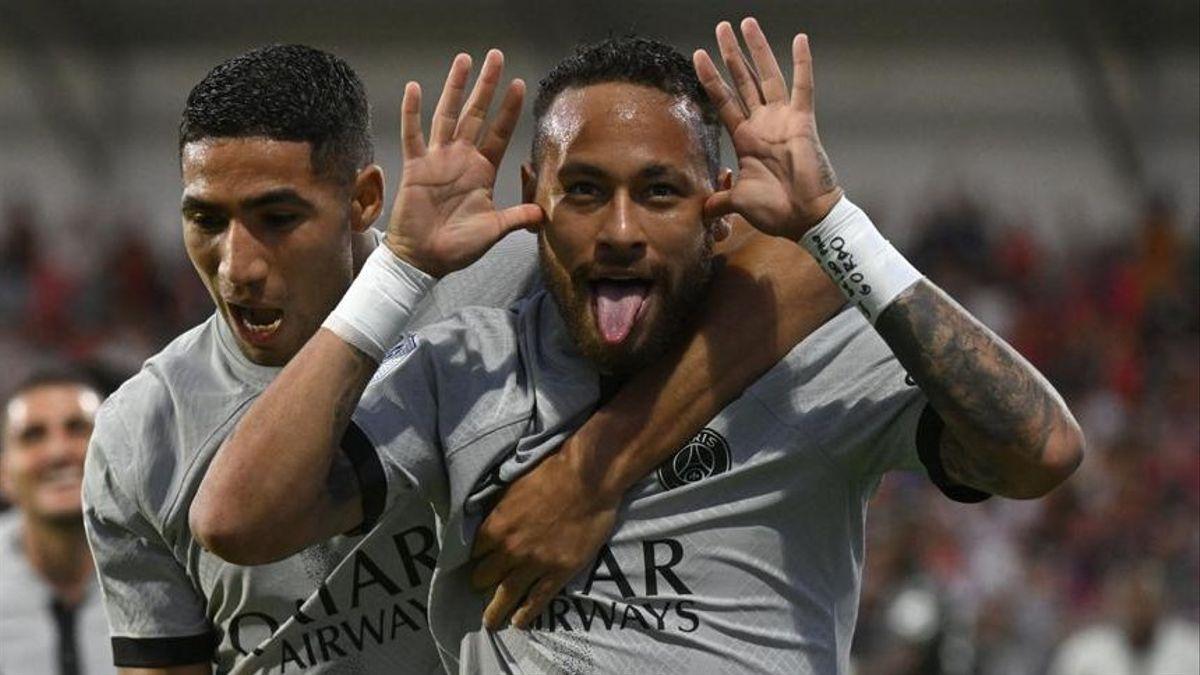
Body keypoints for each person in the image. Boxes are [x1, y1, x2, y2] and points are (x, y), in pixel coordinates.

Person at [194, 19, 1084, 673]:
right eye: (585, 190)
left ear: (719, 202)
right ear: (534, 196)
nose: (619, 229)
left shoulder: (807, 358)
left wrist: (833, 223)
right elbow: (239, 520)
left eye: (659, 192)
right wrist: (401, 267)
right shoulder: (461, 369)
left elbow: (1039, 451)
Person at [82, 43, 841, 673]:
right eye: (205, 221)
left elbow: (801, 258)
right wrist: (398, 275)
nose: (237, 264)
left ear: (365, 199)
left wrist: (593, 471)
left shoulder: (500, 282)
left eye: (277, 218)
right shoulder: (137, 435)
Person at [0, 368, 113, 674]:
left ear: (119, 451)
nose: (58, 452)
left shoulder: (174, 571)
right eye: (33, 435)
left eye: (77, 428)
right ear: (4, 473)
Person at [1048, 562, 1200, 675]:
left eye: (1144, 602)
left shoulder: (1191, 647)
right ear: (1115, 604)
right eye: (1130, 602)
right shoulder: (1083, 651)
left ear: (1162, 604)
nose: (1137, 612)